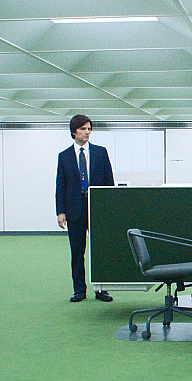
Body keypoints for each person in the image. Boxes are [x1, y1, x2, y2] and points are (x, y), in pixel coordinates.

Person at [56, 114, 115, 302]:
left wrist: (110, 207)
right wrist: (60, 212)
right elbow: (61, 185)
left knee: (100, 250)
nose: (87, 132)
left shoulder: (100, 152)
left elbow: (109, 181)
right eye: (83, 129)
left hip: (97, 207)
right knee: (77, 251)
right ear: (74, 132)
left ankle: (101, 289)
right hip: (75, 208)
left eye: (89, 129)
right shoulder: (64, 156)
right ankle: (79, 290)